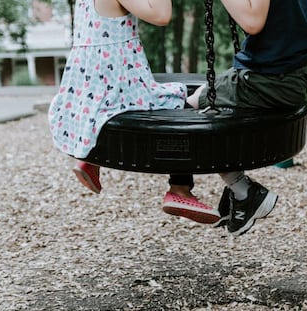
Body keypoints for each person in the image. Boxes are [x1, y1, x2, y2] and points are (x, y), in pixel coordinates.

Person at [48, 0, 221, 223]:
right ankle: (180, 188)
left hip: (90, 88)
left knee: (115, 108)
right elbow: (161, 16)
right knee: (179, 103)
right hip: (118, 82)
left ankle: (90, 156)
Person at [162, 0, 307, 236]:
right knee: (212, 103)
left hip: (271, 79)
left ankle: (192, 188)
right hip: (291, 71)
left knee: (192, 104)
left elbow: (253, 21)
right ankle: (239, 191)